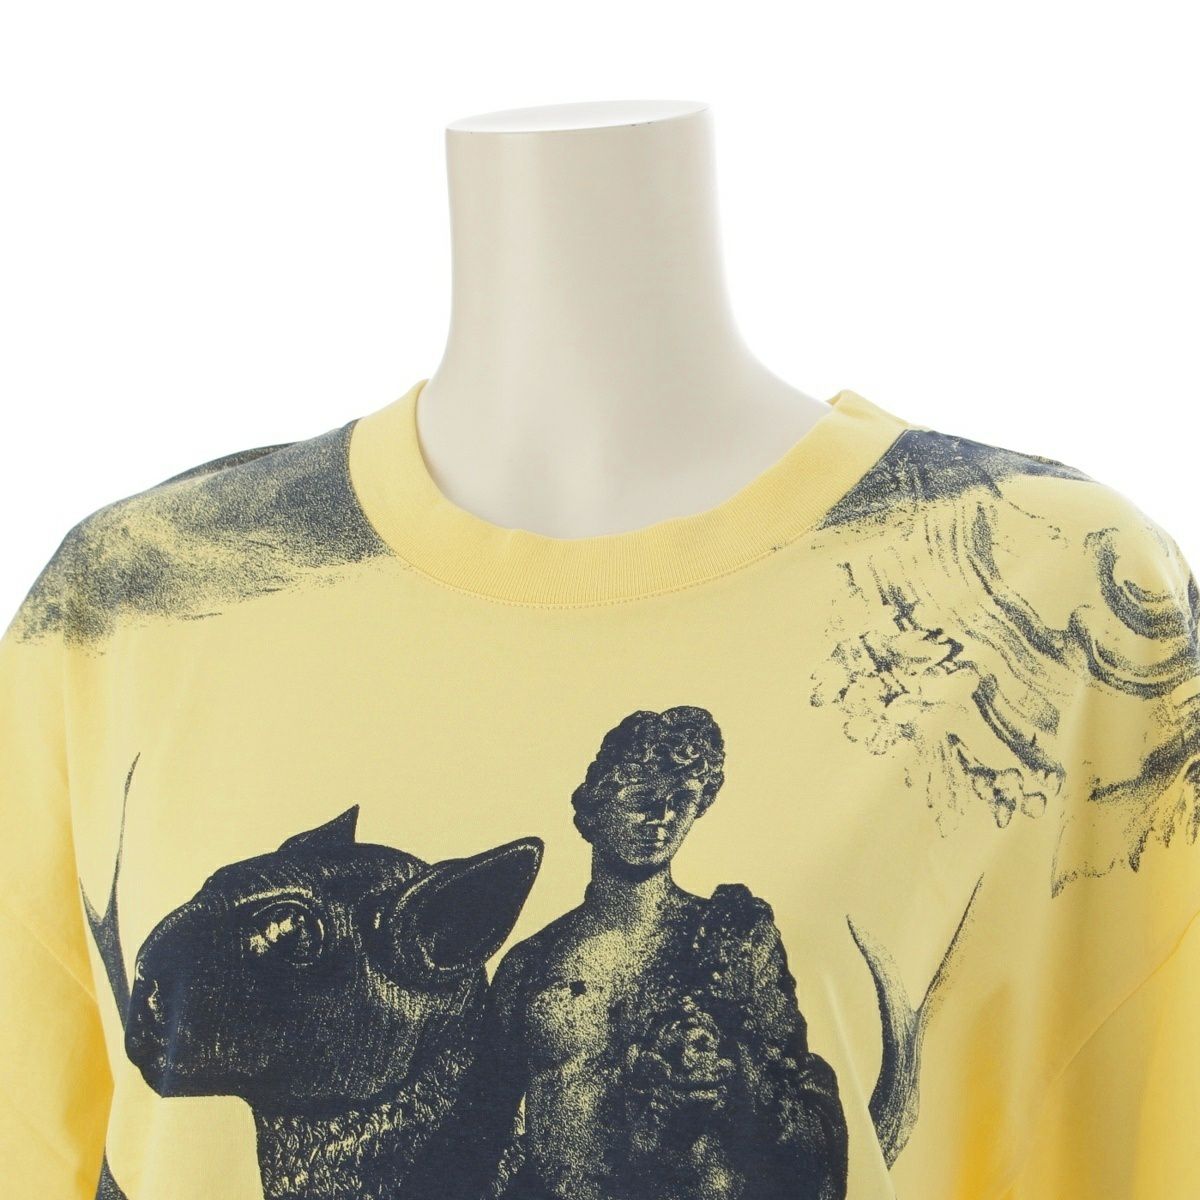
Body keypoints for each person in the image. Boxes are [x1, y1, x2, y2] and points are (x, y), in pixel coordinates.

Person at [414, 705, 849, 1200]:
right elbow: (477, 1129)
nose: (661, 818)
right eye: (642, 797)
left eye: (681, 801)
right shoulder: (531, 964)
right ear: (595, 807)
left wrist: (737, 1078)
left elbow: (796, 1110)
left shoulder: (730, 940)